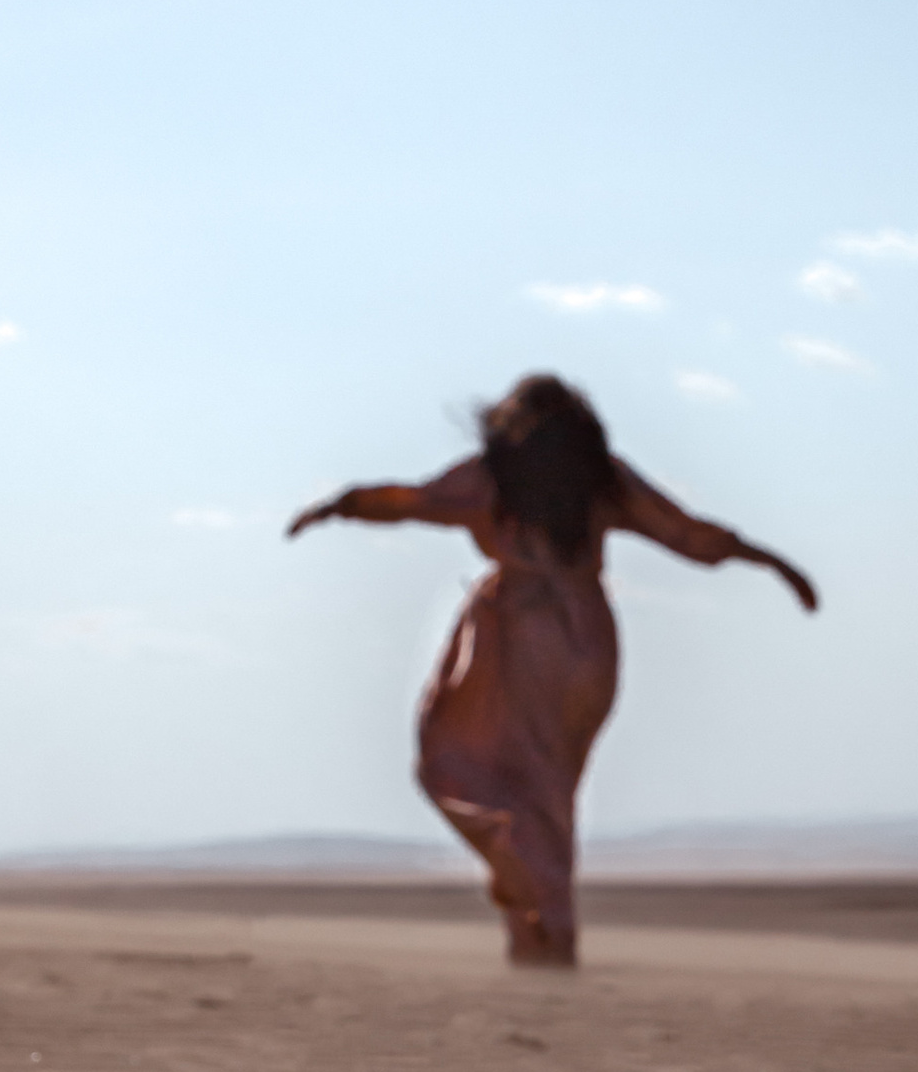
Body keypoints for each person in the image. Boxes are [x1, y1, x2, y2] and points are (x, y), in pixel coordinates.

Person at [287, 373, 817, 969]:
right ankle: (546, 943)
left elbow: (412, 501)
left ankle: (501, 849)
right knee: (550, 794)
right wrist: (770, 561)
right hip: (584, 643)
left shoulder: (494, 476)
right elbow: (687, 534)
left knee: (451, 759)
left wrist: (341, 505)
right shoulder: (603, 478)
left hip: (516, 633)